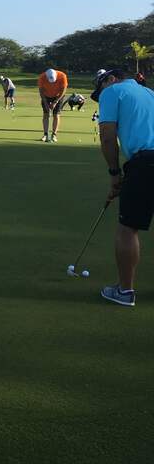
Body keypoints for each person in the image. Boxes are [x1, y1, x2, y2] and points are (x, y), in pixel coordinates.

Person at [91, 68, 154, 307]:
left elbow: (107, 136)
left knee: (128, 229)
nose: (102, 94)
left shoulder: (113, 90)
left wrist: (114, 173)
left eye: (101, 87)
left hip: (145, 163)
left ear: (111, 79)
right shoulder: (149, 92)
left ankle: (124, 292)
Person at [37, 68, 68, 142]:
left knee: (56, 115)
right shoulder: (42, 77)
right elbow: (41, 91)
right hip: (46, 96)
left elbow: (63, 90)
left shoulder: (62, 76)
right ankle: (45, 135)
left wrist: (55, 102)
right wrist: (45, 103)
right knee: (46, 114)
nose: (51, 83)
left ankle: (54, 135)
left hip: (58, 96)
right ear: (46, 76)